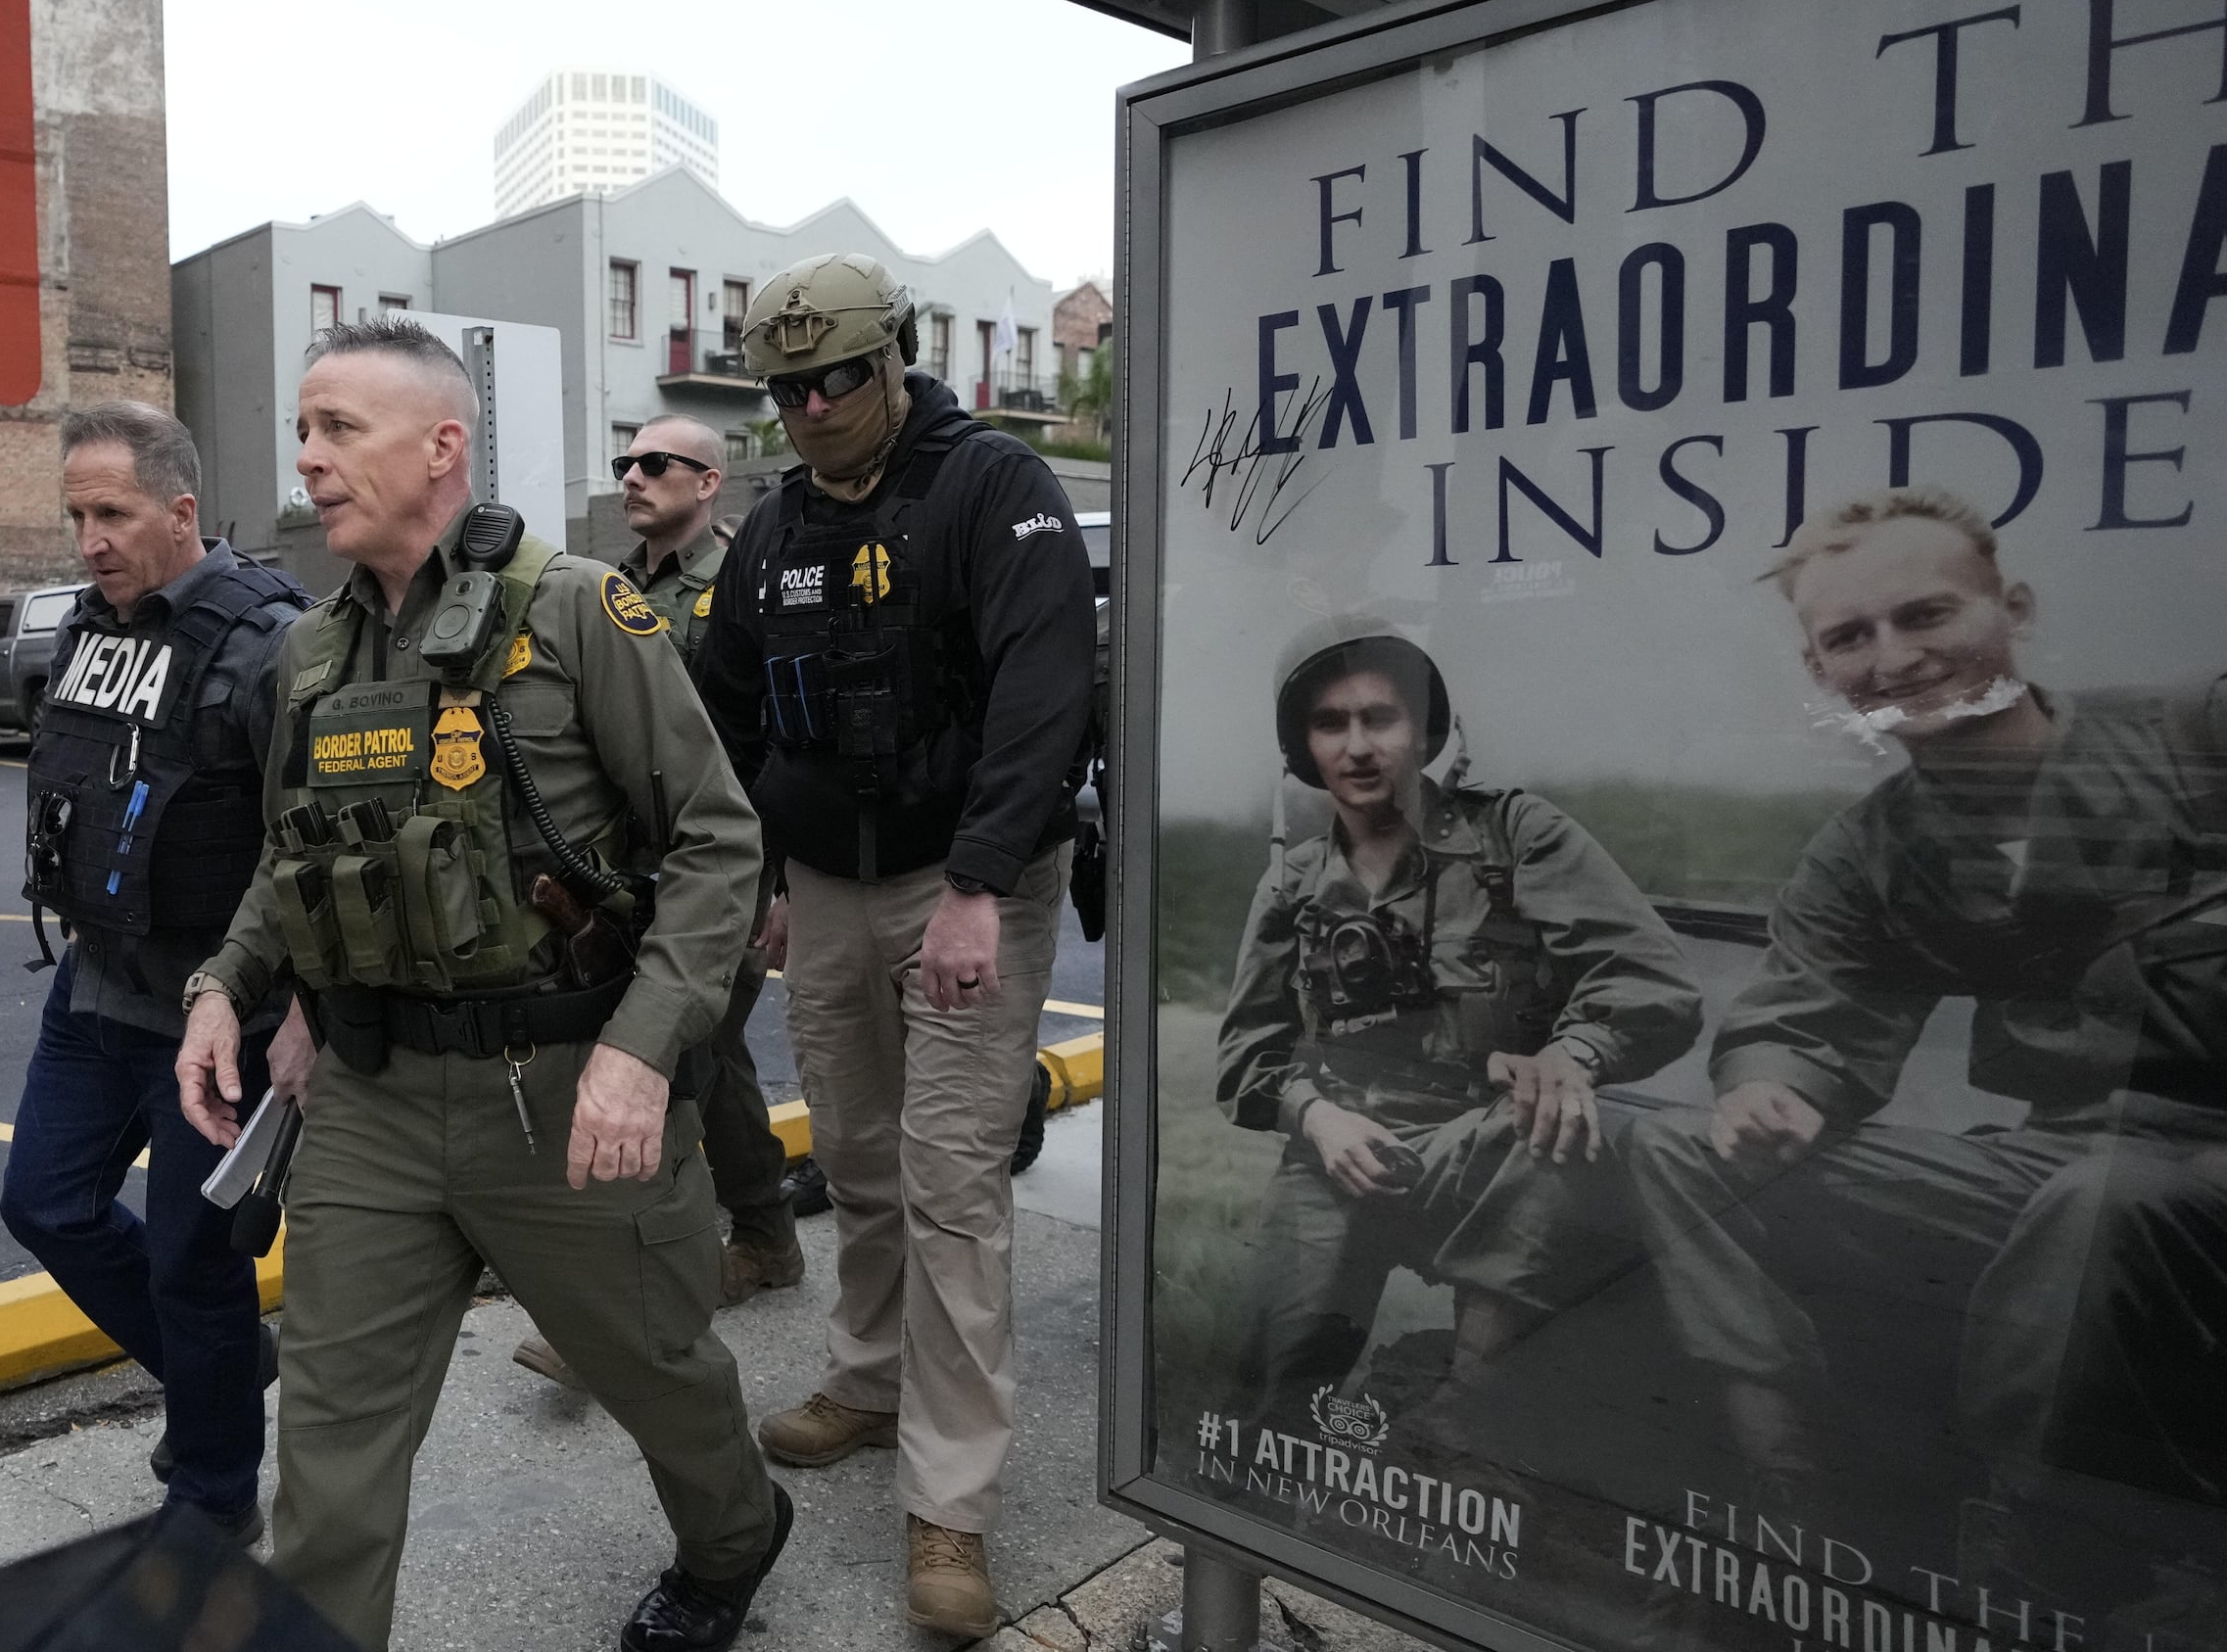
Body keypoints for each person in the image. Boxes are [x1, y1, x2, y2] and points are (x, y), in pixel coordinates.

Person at [172, 318, 790, 1652]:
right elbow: (293, 857)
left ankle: (739, 1535)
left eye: (340, 428)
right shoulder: (312, 656)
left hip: (562, 1095)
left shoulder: (578, 610)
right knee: (329, 1451)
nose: (309, 459)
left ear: (442, 446)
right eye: (304, 430)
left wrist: (639, 1049)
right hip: (373, 1108)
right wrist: (227, 985)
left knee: (662, 1377)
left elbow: (715, 839)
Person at [1623, 489, 2227, 1579]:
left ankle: (2044, 1554)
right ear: (1821, 673)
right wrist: (1775, 1088)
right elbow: (1805, 1012)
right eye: (1850, 637)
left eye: (1927, 616)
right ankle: (1798, 1494)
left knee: (2098, 1210)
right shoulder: (1871, 852)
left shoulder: (2194, 738)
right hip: (2069, 1165)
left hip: (2183, 1174)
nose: (1894, 658)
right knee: (1675, 1147)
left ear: (2015, 609)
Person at [688, 253, 1094, 1639]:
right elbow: (724, 711)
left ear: (897, 360)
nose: (808, 408)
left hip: (963, 879)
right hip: (831, 884)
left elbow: (1049, 697)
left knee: (954, 1185)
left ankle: (951, 1503)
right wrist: (763, 876)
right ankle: (866, 1381)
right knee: (858, 1158)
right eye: (785, 387)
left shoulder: (992, 488)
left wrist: (981, 885)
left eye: (834, 380)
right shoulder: (777, 524)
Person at [1212, 622, 1697, 1440]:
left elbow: (1654, 982)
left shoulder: (1515, 836)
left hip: (1493, 1147)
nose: (1359, 746)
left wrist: (1573, 1053)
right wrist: (1318, 1119)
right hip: (1342, 1147)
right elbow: (1246, 1058)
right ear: (1303, 745)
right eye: (1332, 723)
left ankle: (1465, 1422)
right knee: (1267, 1407)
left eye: (1382, 717)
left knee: (1516, 1413)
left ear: (1425, 729)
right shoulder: (1293, 883)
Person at [2, 401, 308, 1539]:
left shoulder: (273, 639)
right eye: (76, 514)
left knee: (194, 1264)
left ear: (181, 511)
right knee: (44, 1205)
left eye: (113, 513)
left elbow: (311, 840)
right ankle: (224, 1370)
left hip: (214, 1011)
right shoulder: (93, 626)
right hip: (91, 989)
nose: (90, 538)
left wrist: (298, 1010)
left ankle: (215, 1495)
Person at [515, 415, 797, 1393]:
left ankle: (615, 1320)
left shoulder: (744, 591)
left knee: (671, 1061)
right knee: (709, 1059)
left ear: (710, 480)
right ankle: (765, 1236)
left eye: (655, 463)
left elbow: (775, 740)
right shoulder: (608, 589)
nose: (631, 475)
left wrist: (786, 883)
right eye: (624, 460)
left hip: (724, 870)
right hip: (630, 878)